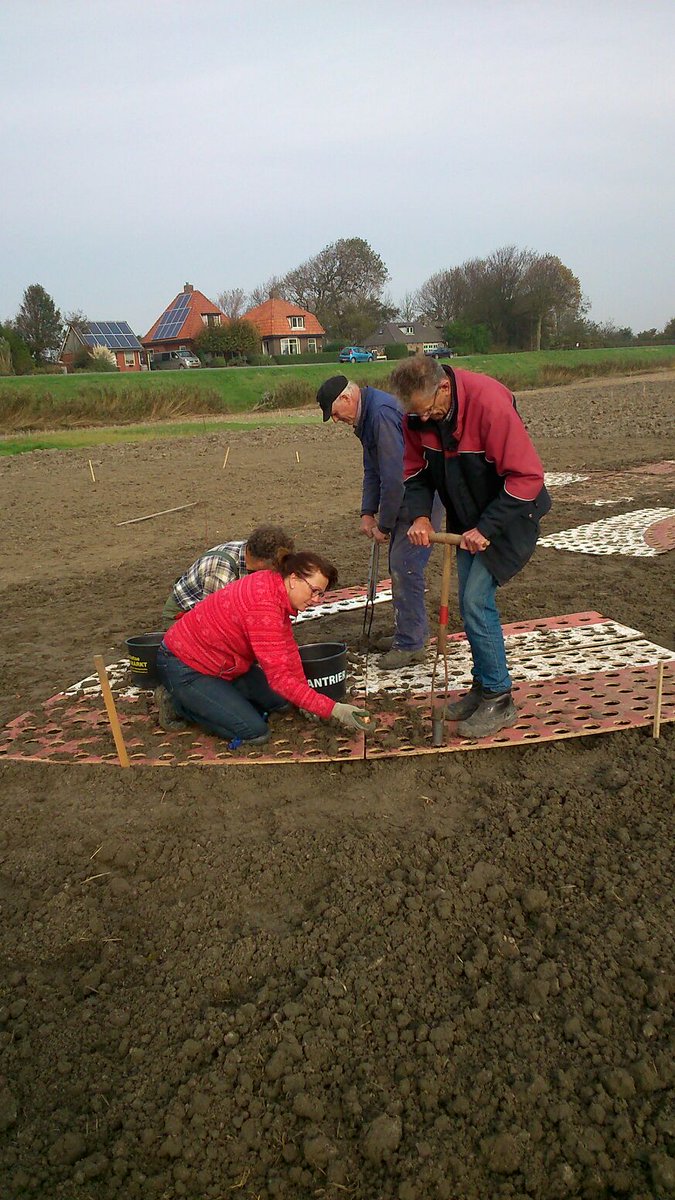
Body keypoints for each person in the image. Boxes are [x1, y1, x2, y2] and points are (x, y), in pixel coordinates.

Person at [390, 354, 552, 739]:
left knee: (477, 601)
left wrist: (487, 527)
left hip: (512, 513)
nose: (422, 421)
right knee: (469, 601)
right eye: (416, 414)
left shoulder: (489, 404)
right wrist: (420, 516)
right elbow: (414, 472)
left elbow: (527, 477)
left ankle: (499, 698)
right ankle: (482, 688)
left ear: (443, 387)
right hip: (466, 518)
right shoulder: (416, 415)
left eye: (428, 412)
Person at [155, 550, 369, 745]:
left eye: (320, 594)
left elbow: (288, 649)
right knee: (254, 731)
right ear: (294, 579)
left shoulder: (273, 585)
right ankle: (177, 704)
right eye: (314, 591)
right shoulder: (264, 608)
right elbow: (279, 678)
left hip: (223, 661)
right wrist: (334, 710)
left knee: (282, 702)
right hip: (185, 665)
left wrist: (306, 698)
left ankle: (217, 695)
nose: (315, 600)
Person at [316, 375, 444, 669]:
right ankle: (409, 633)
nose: (335, 421)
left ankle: (412, 644)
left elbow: (394, 479)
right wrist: (366, 513)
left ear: (346, 399)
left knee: (405, 566)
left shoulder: (382, 415)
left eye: (335, 414)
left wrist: (384, 525)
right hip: (408, 494)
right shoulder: (367, 417)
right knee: (400, 565)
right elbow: (372, 468)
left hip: (419, 498)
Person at [161, 525, 294, 627]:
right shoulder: (220, 569)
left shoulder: (252, 551)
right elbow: (214, 618)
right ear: (262, 562)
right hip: (182, 617)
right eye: (277, 566)